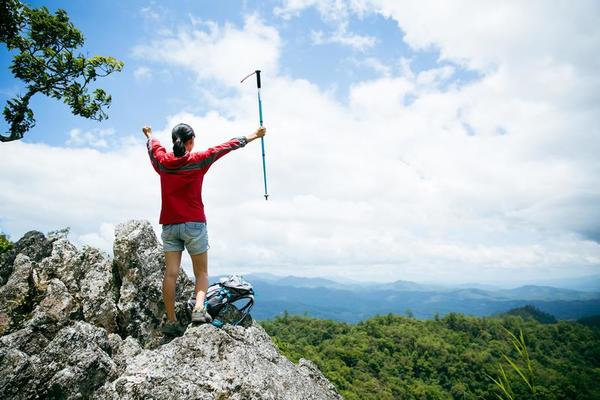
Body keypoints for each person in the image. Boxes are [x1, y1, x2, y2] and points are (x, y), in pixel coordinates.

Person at [143, 123, 266, 334]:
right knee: (201, 272)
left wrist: (149, 134)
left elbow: (154, 148)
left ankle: (171, 321)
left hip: (170, 225)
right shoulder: (198, 160)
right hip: (194, 224)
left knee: (170, 274)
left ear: (175, 141)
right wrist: (254, 135)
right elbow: (225, 147)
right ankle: (199, 308)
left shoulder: (163, 163)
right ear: (190, 142)